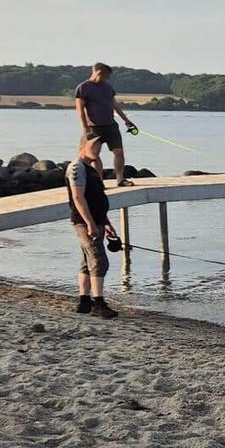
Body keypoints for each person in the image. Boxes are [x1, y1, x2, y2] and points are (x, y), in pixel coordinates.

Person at [66, 137, 120, 318]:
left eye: (99, 147)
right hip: (84, 222)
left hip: (96, 220)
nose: (97, 151)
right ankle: (98, 302)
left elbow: (97, 198)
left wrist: (107, 223)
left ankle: (84, 301)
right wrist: (89, 223)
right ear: (82, 146)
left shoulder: (91, 169)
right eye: (93, 146)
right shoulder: (77, 167)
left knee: (87, 260)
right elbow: (78, 197)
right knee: (99, 260)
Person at [74, 62, 138, 186]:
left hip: (111, 126)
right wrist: (85, 128)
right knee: (94, 156)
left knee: (119, 152)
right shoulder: (83, 88)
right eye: (106, 76)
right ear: (98, 72)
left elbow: (115, 104)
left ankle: (120, 179)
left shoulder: (108, 87)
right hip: (93, 127)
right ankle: (99, 182)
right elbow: (80, 110)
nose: (107, 79)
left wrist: (126, 119)